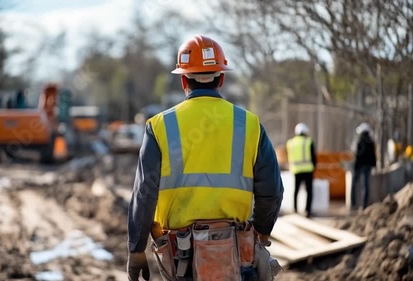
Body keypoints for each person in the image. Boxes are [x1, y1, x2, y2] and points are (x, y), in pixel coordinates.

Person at [127, 35, 284, 281]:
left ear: (183, 80)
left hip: (181, 261)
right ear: (221, 78)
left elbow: (144, 194)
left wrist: (136, 249)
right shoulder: (249, 124)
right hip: (237, 258)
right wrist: (262, 234)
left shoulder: (159, 126)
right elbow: (272, 191)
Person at [286, 123, 316, 218]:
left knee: (296, 190)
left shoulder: (291, 143)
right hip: (308, 170)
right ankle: (307, 211)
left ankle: (295, 209)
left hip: (296, 170)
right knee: (309, 191)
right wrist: (314, 166)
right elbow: (313, 157)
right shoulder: (308, 141)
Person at [350, 122, 377, 210]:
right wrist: (374, 165)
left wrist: (355, 166)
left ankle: (353, 204)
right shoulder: (371, 142)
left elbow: (358, 156)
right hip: (367, 166)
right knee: (365, 186)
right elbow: (373, 155)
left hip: (360, 166)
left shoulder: (360, 141)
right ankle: (364, 206)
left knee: (354, 184)